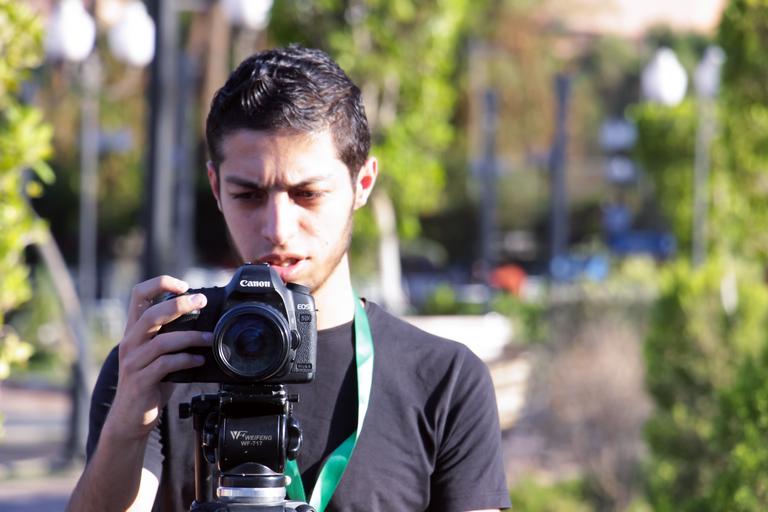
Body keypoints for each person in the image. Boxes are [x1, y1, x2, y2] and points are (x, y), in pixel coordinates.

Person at [67, 45, 510, 512]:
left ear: (362, 184)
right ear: (216, 187)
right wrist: (126, 424)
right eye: (248, 195)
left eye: (307, 194)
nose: (277, 228)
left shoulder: (444, 380)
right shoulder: (166, 360)